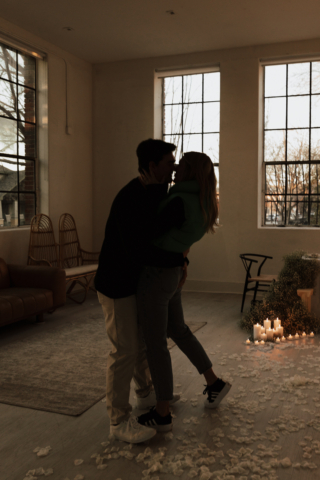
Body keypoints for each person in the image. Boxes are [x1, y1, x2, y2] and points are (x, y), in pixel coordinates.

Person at [94, 139, 187, 443]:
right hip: (116, 285)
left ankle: (145, 394)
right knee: (124, 350)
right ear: (152, 166)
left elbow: (156, 225)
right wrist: (176, 260)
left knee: (141, 344)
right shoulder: (131, 197)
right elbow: (144, 243)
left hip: (132, 283)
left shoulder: (149, 193)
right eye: (168, 161)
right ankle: (117, 421)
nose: (174, 166)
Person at [136, 152, 232, 432]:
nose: (176, 168)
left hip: (157, 275)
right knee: (178, 330)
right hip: (174, 271)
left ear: (191, 172)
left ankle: (162, 411)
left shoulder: (178, 201)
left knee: (155, 344)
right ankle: (213, 381)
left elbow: (147, 234)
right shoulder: (203, 201)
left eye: (182, 164)